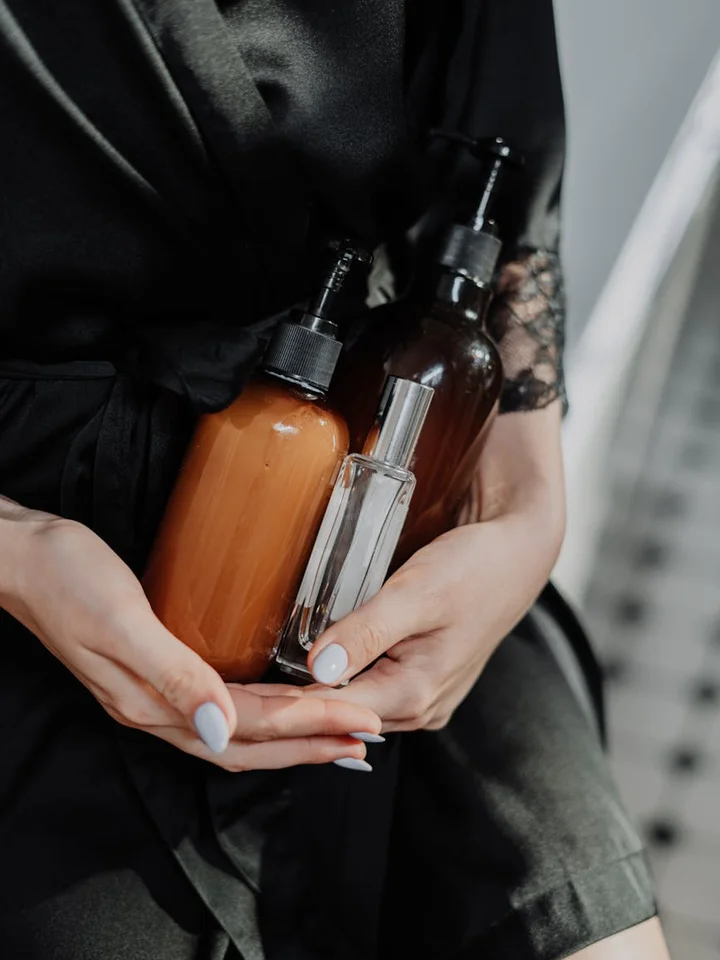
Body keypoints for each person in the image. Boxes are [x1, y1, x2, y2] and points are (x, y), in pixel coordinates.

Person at [0, 0, 668, 957]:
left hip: (376, 479)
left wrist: (526, 516)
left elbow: (501, 175)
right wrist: (17, 555)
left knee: (579, 917)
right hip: (35, 546)